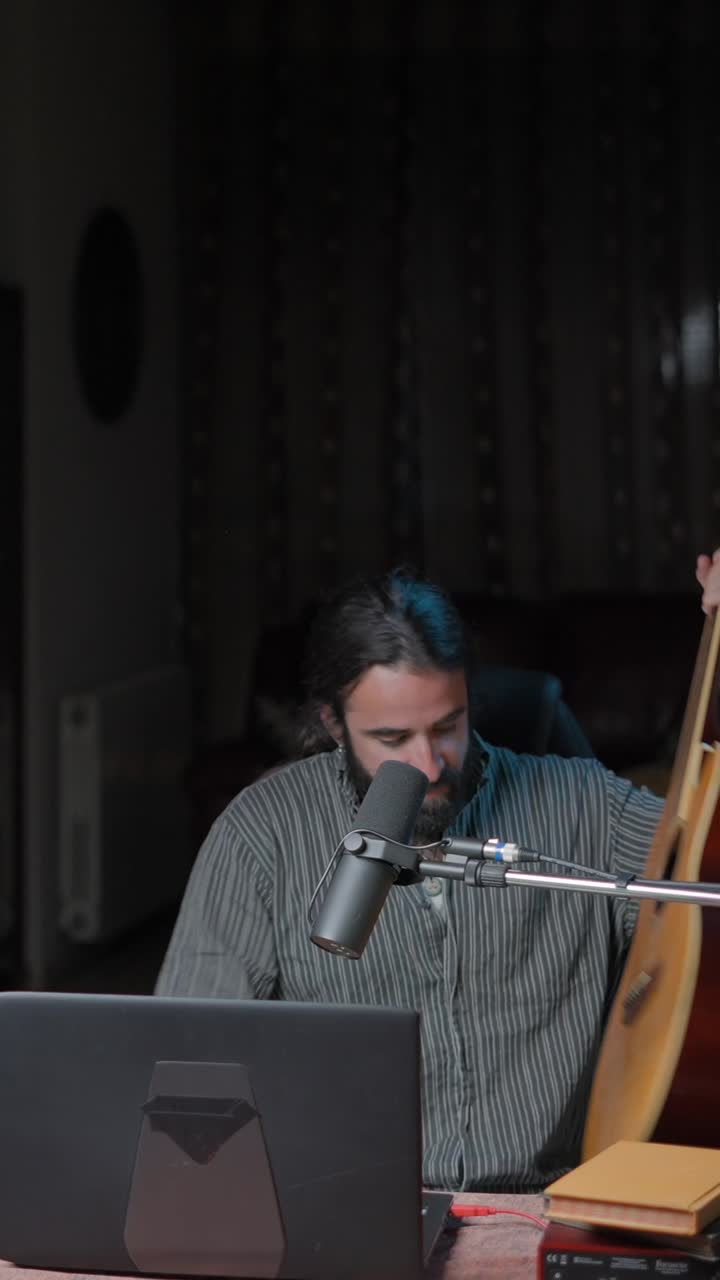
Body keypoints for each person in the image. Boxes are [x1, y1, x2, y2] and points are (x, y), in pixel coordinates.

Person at [156, 551, 720, 1193]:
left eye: (448, 726)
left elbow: (703, 877)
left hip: (551, 1208)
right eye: (393, 740)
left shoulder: (590, 808)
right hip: (347, 1206)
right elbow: (187, 1066)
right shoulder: (261, 833)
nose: (429, 764)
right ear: (332, 724)